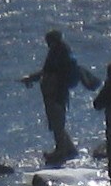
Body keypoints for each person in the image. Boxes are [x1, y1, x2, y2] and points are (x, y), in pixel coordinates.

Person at [20, 29, 90, 163]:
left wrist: (31, 78)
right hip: (60, 92)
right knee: (58, 121)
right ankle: (69, 148)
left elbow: (48, 72)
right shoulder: (64, 51)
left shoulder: (57, 52)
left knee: (56, 121)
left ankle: (60, 151)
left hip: (55, 93)